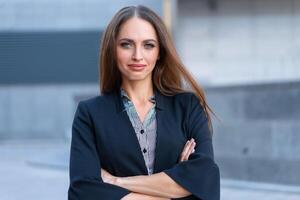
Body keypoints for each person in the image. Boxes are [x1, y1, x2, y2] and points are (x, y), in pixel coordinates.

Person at [68, 5, 220, 200]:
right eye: (126, 44)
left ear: (160, 52)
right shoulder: (89, 114)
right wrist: (175, 189)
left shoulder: (188, 107)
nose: (137, 55)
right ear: (112, 49)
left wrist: (116, 182)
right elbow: (83, 192)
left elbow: (205, 179)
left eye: (148, 45)